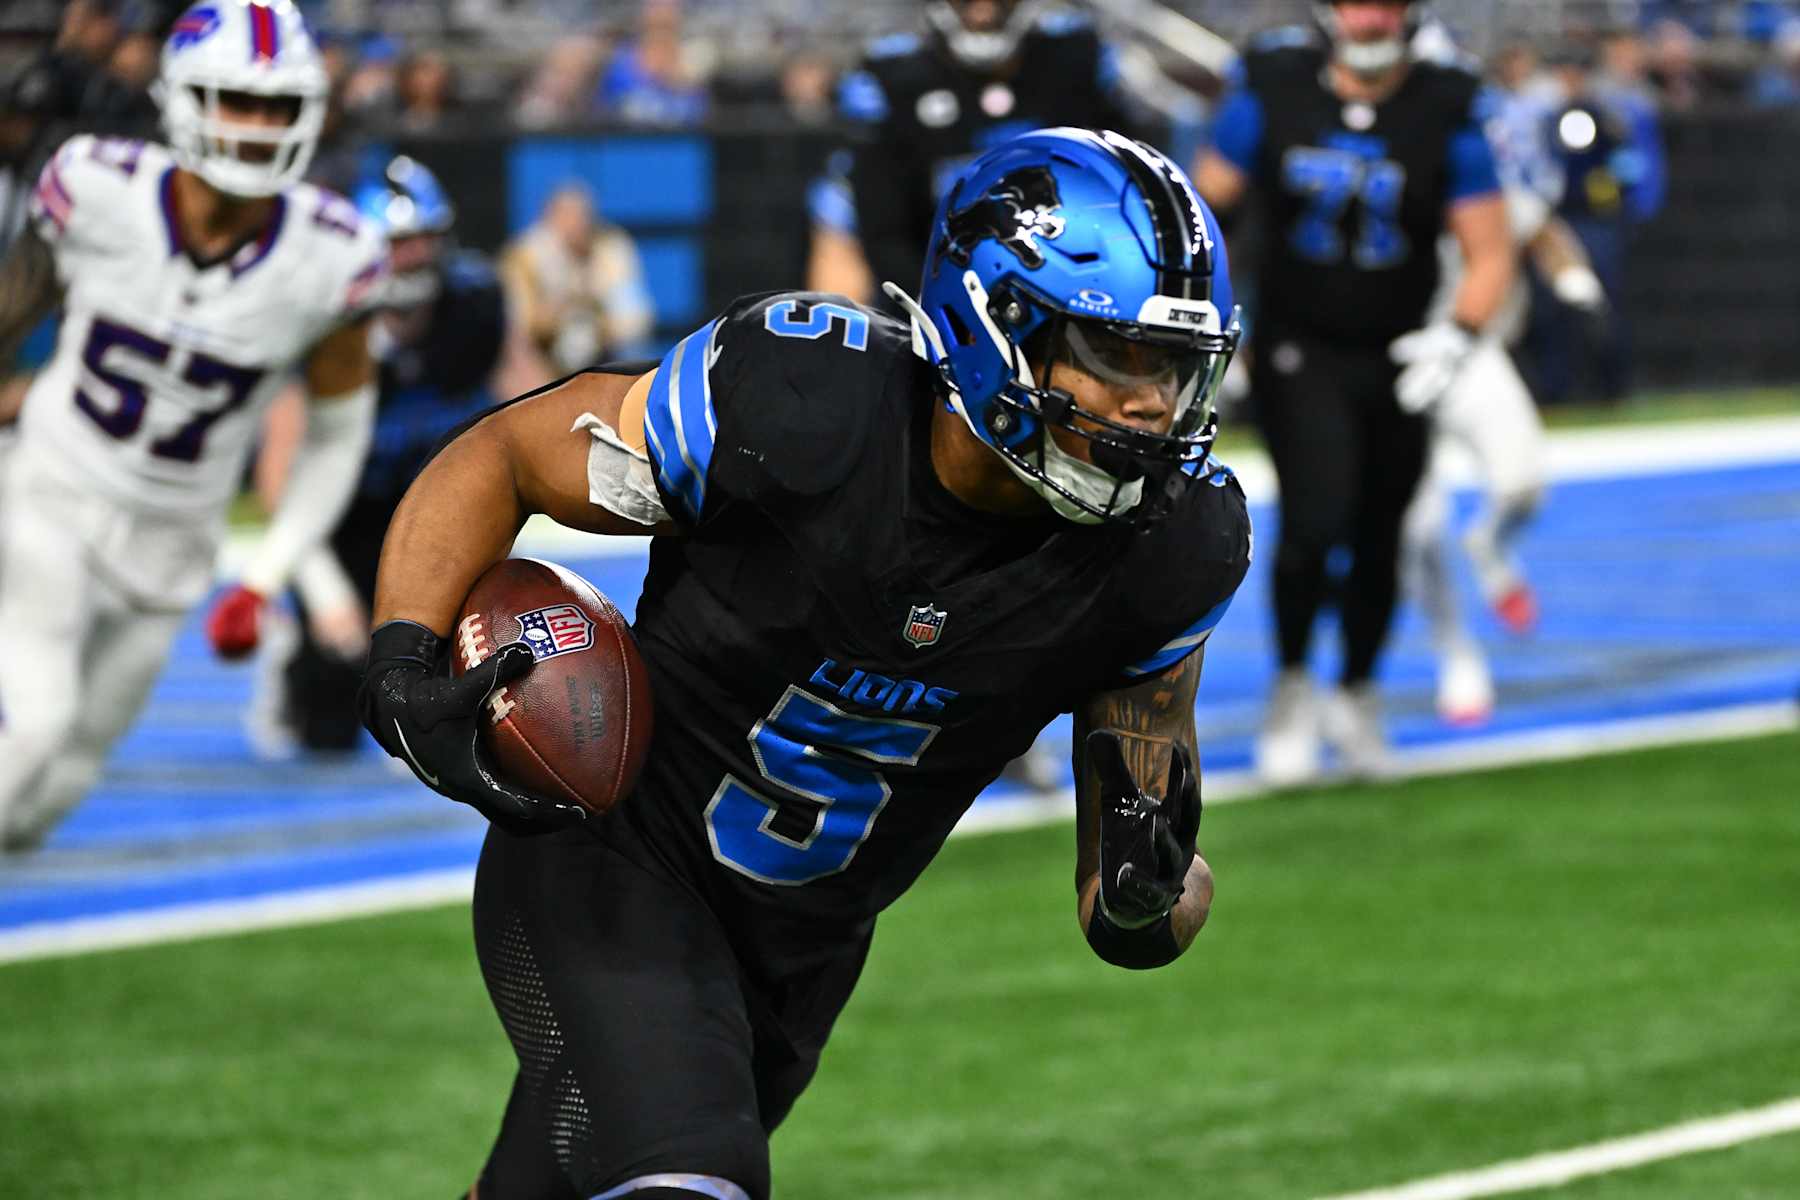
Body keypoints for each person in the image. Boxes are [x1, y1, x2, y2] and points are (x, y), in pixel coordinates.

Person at [360, 127, 1250, 1200]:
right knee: (695, 1176)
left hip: (800, 955)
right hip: (617, 853)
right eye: (1119, 355)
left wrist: (1152, 895)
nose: (1156, 405)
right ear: (996, 325)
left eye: (1178, 368)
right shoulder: (801, 400)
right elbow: (507, 455)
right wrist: (402, 659)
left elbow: (1130, 884)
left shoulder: (1171, 547)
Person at [0, 0, 385, 853]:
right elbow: (12, 306)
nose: (256, 126)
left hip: (176, 537)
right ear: (180, 98)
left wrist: (266, 576)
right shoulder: (96, 187)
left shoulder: (332, 257)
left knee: (68, 774)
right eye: (235, 100)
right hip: (53, 490)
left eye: (276, 107)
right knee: (37, 725)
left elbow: (336, 436)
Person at [1191, 0, 1514, 784]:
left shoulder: (1444, 103)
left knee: (1381, 533)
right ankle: (1293, 685)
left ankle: (1358, 691)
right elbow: (1199, 212)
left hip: (1401, 349)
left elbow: (1490, 248)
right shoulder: (1274, 85)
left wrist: (1458, 336)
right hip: (1300, 344)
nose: (1370, 20)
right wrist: (1210, 317)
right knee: (1313, 523)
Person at [250, 155, 518, 754]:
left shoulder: (476, 303)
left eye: (424, 239)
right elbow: (277, 473)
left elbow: (529, 405)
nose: (415, 256)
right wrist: (321, 588)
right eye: (398, 243)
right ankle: (294, 655)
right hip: (342, 514)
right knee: (331, 720)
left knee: (479, 672)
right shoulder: (324, 322)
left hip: (435, 506)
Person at [1401, 28, 1611, 725]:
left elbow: (1537, 225)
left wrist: (1575, 281)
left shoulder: (1477, 158)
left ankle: (1490, 546)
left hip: (1467, 347)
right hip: (1393, 352)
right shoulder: (1362, 156)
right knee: (1416, 528)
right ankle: (1457, 655)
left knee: (1523, 480)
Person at [809, 0, 1141, 307]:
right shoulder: (890, 77)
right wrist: (935, 308)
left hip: (1079, 290)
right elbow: (881, 232)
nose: (983, 12)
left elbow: (1128, 187)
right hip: (940, 293)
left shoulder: (1078, 57)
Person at [499, 182, 654, 374]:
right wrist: (558, 317)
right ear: (549, 218)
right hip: (545, 355)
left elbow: (635, 318)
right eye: (565, 216)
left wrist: (596, 325)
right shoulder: (525, 256)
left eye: (581, 216)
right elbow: (520, 323)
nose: (575, 224)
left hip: (603, 349)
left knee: (631, 346)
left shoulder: (611, 250)